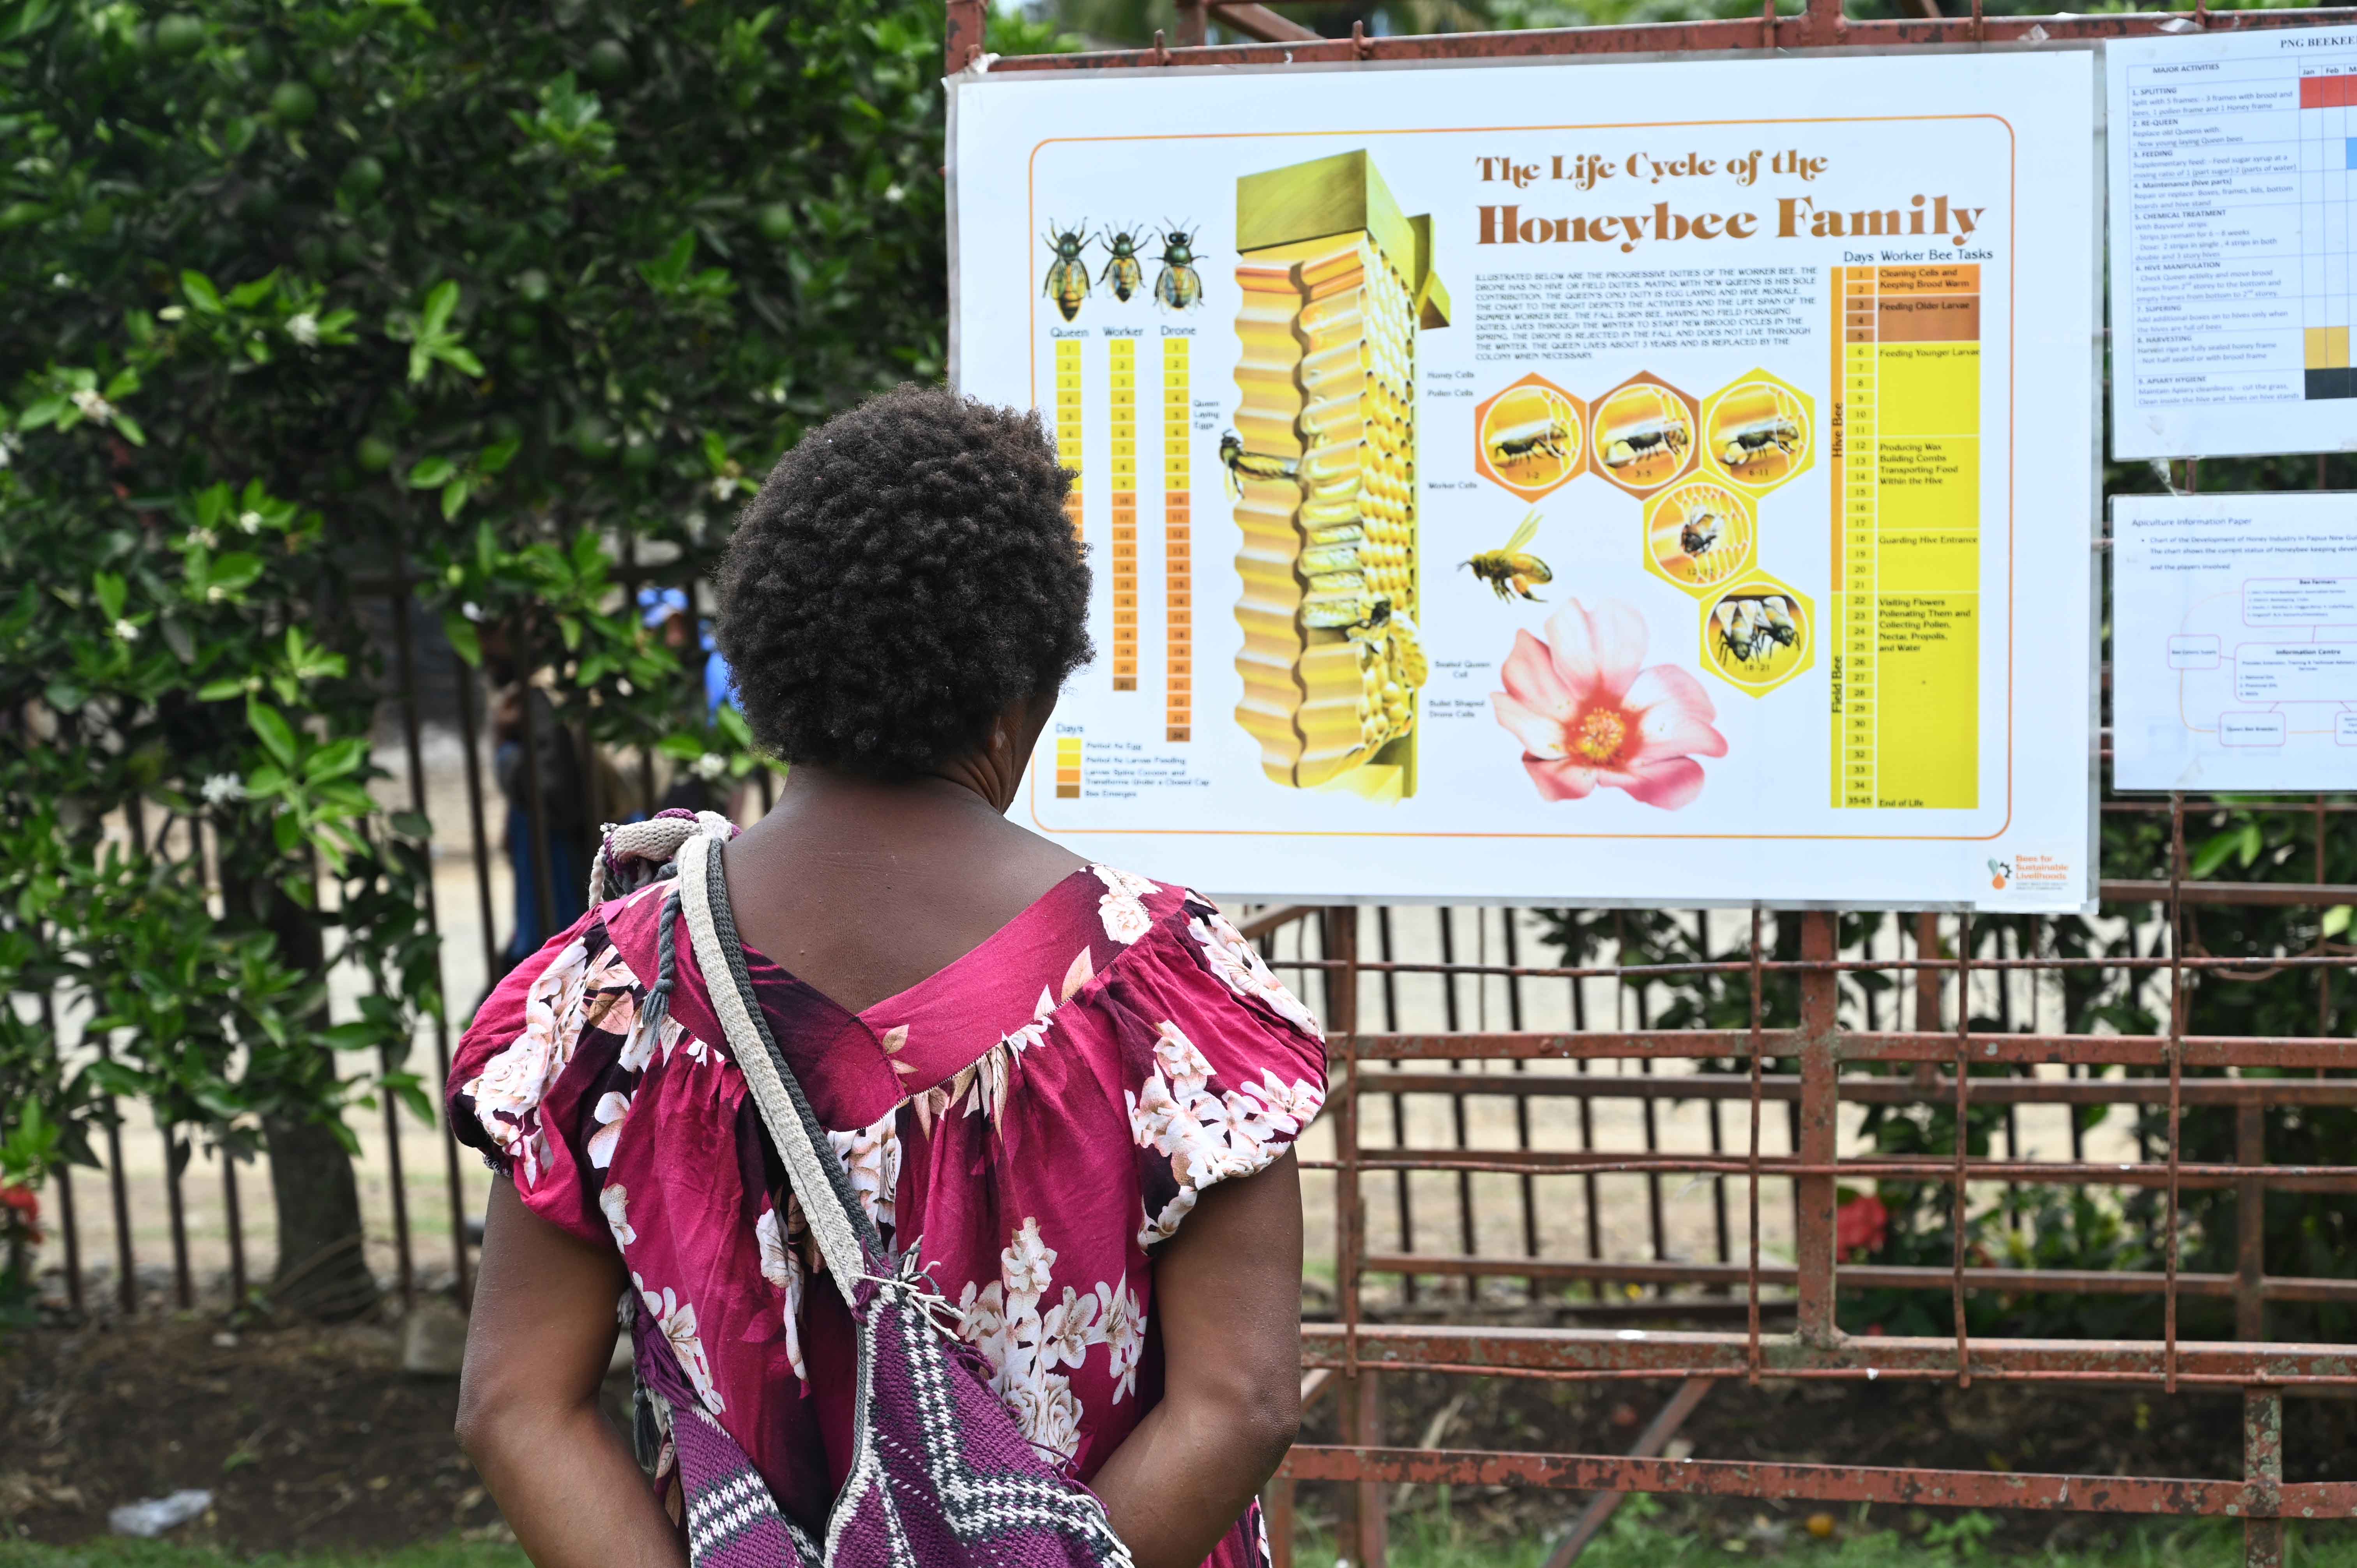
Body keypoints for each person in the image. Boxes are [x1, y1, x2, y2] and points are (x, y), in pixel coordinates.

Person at [445, 385, 1322, 1568]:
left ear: (770, 665)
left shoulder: (608, 995)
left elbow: (516, 1405)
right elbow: (1244, 1401)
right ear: (1024, 689)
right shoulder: (1162, 984)